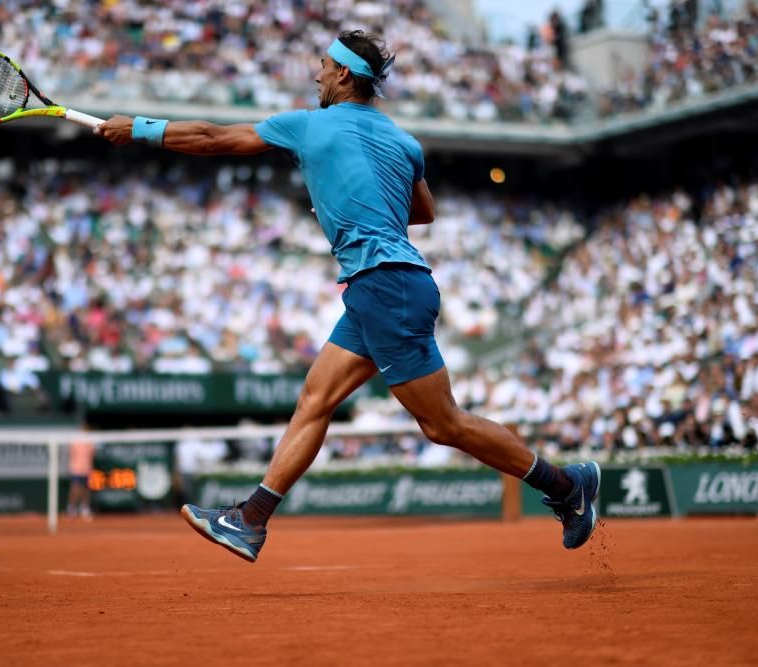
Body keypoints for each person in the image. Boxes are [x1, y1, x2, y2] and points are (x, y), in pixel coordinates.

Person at [95, 30, 601, 563]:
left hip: (386, 286)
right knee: (316, 399)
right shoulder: (404, 142)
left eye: (321, 66)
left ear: (341, 74)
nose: (315, 75)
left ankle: (568, 487)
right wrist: (355, 200)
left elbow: (211, 138)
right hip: (383, 286)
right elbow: (423, 212)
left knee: (442, 424)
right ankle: (250, 520)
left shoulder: (310, 125)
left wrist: (141, 129)